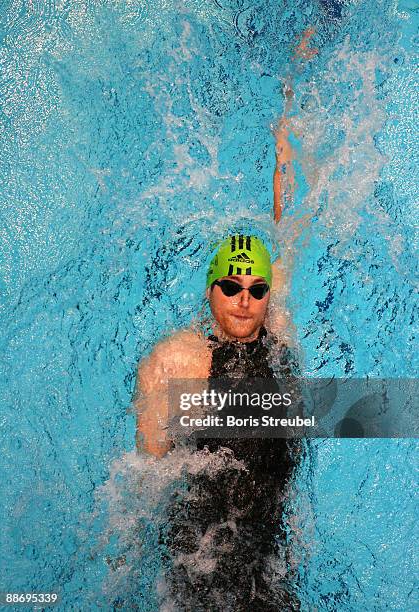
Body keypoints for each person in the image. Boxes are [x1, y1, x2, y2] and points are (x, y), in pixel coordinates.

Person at [135, 28, 318, 611]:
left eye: (257, 288)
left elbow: (291, 221)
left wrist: (290, 110)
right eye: (232, 286)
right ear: (210, 289)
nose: (245, 298)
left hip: (271, 557)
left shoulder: (277, 328)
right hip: (203, 555)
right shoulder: (178, 359)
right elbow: (144, 481)